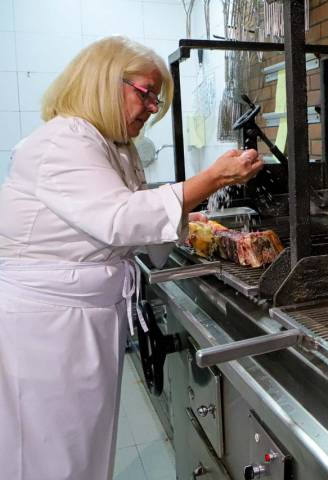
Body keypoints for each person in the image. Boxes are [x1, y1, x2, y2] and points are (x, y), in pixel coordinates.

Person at [0, 36, 262, 480]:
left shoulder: (117, 148)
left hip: (86, 317)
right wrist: (212, 177)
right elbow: (122, 218)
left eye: (157, 100)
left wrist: (185, 211)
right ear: (104, 81)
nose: (151, 108)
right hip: (46, 326)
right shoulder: (63, 141)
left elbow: (138, 212)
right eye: (146, 93)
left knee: (84, 443)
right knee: (50, 453)